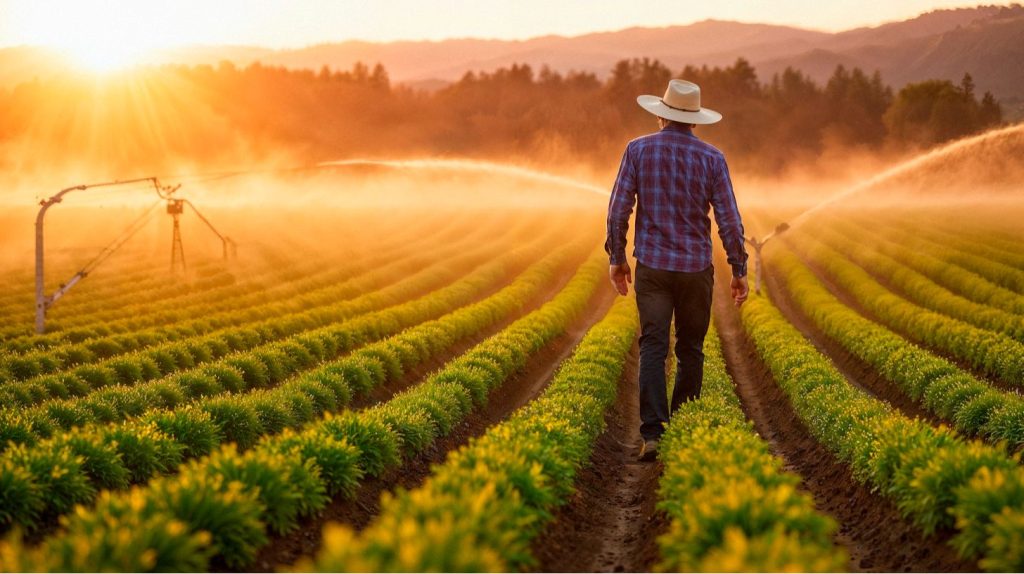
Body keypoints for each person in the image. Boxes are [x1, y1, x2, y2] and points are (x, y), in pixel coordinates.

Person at [605, 79, 749, 462]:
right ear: (696, 122)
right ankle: (683, 430)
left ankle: (653, 434)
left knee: (653, 345)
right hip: (695, 270)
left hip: (652, 266)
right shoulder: (712, 159)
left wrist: (617, 258)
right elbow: (730, 222)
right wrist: (739, 267)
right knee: (690, 350)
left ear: (660, 115)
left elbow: (619, 210)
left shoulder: (637, 150)